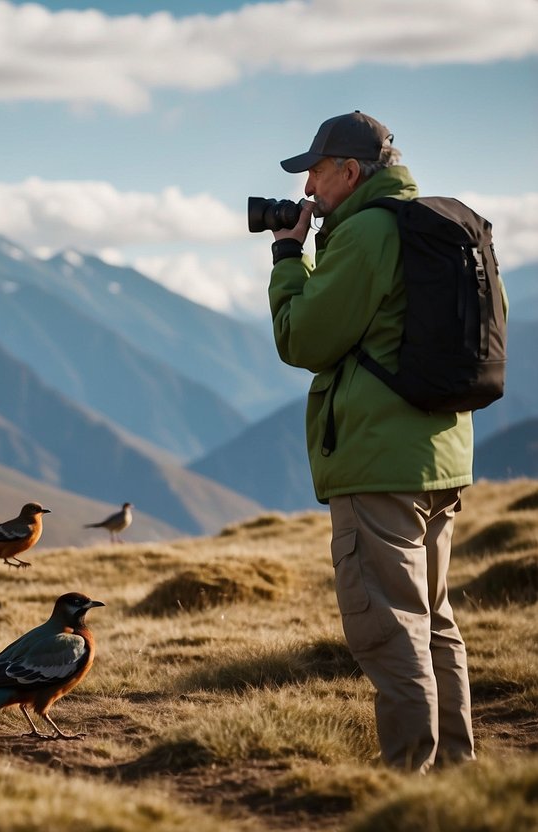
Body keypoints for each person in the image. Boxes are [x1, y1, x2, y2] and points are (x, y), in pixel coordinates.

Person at [266, 111, 476, 773]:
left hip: (377, 463)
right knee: (431, 619)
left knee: (389, 629)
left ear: (349, 172)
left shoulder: (365, 233)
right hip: (437, 452)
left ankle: (408, 780)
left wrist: (284, 259)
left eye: (315, 174)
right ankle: (452, 777)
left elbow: (302, 340)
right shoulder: (430, 225)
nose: (307, 190)